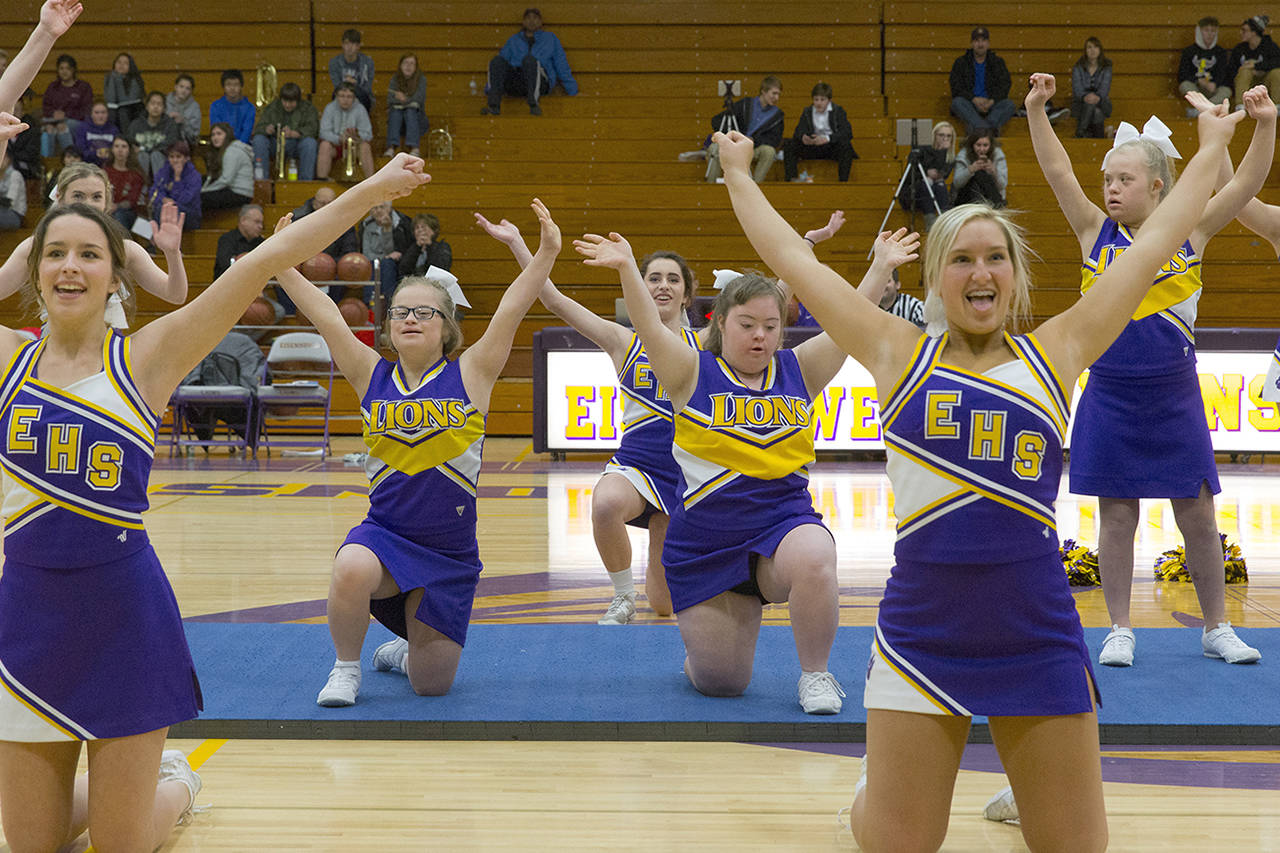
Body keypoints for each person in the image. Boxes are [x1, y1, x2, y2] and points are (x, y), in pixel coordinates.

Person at [711, 94, 1258, 851]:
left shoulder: (1058, 350)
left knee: (1075, 844)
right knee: (901, 840)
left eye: (995, 257)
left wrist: (1211, 146)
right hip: (922, 627)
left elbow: (1155, 241)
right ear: (936, 279)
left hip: (1036, 627)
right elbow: (790, 261)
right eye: (961, 258)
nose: (980, 271)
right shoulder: (894, 350)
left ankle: (1018, 777)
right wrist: (739, 172)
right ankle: (877, 789)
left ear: (1016, 276)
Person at [0, 150, 426, 853]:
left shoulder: (146, 356)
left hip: (122, 616)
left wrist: (371, 189)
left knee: (122, 844)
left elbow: (262, 261)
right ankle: (113, 796)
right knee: (31, 846)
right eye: (54, 254)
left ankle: (175, 785)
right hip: (26, 619)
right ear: (34, 269)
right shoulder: (8, 358)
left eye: (88, 254)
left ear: (115, 273)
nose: (70, 267)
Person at [574, 226, 917, 715]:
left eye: (771, 326)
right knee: (722, 683)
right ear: (721, 323)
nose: (760, 335)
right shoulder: (689, 370)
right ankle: (702, 655)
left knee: (817, 552)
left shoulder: (800, 368)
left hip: (781, 530)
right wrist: (629, 266)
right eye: (747, 324)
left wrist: (881, 266)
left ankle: (816, 675)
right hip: (707, 545)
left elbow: (850, 322)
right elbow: (649, 326)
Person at [1025, 74, 1273, 669]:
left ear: (1157, 186)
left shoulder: (1191, 231)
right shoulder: (1093, 233)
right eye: (1107, 179)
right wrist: (1037, 111)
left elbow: (1245, 185)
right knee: (1116, 517)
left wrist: (1264, 125)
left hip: (1174, 396)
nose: (1110, 189)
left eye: (1124, 180)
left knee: (1198, 515)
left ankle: (1218, 626)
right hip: (1108, 395)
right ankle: (1118, 627)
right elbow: (1059, 173)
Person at [302, 198, 558, 707]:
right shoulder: (369, 372)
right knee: (350, 565)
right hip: (387, 536)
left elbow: (512, 307)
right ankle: (345, 669)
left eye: (425, 312)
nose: (411, 320)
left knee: (431, 685)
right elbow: (327, 315)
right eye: (402, 312)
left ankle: (403, 651)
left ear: (447, 326)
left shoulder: (473, 372)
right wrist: (281, 262)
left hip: (450, 552)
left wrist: (546, 250)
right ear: (389, 323)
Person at [0, 162, 189, 310]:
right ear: (60, 198)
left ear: (107, 203)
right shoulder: (36, 246)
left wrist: (172, 253)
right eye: (78, 196)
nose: (88, 204)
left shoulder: (126, 249)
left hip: (107, 349)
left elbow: (175, 295)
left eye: (96, 197)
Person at [483, 8, 577, 116]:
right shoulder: (514, 40)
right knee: (497, 60)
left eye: (535, 18)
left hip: (540, 80)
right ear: (523, 22)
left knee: (529, 60)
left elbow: (561, 65)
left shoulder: (550, 39)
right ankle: (493, 106)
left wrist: (572, 91)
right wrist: (489, 88)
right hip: (517, 81)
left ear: (541, 22)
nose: (532, 21)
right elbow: (499, 65)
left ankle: (533, 104)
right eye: (528, 18)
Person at [705, 75, 784, 183]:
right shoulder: (746, 104)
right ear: (763, 91)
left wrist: (753, 140)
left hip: (754, 148)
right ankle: (711, 187)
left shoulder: (777, 116)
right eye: (774, 93)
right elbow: (716, 120)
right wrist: (732, 136)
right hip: (733, 144)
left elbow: (774, 140)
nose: (777, 98)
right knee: (714, 148)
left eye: (779, 94)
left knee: (769, 152)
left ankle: (755, 187)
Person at [782, 82, 857, 183]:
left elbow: (847, 133)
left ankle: (843, 182)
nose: (818, 103)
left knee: (845, 146)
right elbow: (798, 131)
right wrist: (804, 137)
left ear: (829, 100)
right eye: (816, 99)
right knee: (789, 145)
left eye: (822, 100)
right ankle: (792, 180)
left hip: (830, 147)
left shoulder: (838, 111)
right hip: (813, 146)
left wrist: (827, 138)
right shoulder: (807, 111)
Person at [949, 26, 1017, 135]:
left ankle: (978, 128)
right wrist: (973, 99)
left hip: (992, 105)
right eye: (977, 41)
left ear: (988, 44)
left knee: (1009, 105)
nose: (980, 44)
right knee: (957, 103)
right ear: (972, 43)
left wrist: (991, 101)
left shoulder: (997, 62)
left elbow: (1005, 85)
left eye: (983, 41)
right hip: (970, 105)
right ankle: (988, 130)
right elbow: (956, 87)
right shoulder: (961, 62)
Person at [251, 81, 319, 181]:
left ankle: (305, 181)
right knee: (259, 140)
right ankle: (261, 180)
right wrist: (267, 129)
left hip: (297, 144)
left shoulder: (308, 108)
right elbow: (259, 128)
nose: (287, 105)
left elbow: (314, 129)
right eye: (285, 101)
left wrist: (296, 133)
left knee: (310, 143)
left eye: (291, 102)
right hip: (275, 144)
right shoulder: (272, 107)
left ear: (298, 100)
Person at [898, 121, 955, 230]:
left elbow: (943, 174)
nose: (945, 138)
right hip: (914, 192)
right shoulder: (922, 149)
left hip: (935, 191)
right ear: (934, 135)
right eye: (941, 135)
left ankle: (945, 219)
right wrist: (926, 174)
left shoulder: (949, 156)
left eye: (948, 136)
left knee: (940, 184)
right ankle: (930, 223)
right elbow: (910, 175)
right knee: (927, 182)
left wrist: (942, 151)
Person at [317, 83, 374, 180]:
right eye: (342, 96)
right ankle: (322, 179)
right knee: (324, 145)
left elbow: (368, 134)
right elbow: (323, 132)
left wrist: (357, 136)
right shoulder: (330, 108)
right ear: (337, 96)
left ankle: (371, 181)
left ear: (354, 97)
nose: (345, 100)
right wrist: (339, 139)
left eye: (349, 97)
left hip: (355, 146)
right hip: (336, 145)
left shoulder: (360, 109)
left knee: (365, 147)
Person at [1179, 16, 1232, 116]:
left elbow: (1224, 74)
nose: (1210, 34)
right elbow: (1182, 75)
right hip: (1196, 87)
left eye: (1213, 31)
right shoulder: (1189, 51)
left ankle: (1203, 110)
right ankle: (1208, 109)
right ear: (1199, 31)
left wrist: (1214, 84)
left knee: (1226, 91)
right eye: (1206, 30)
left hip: (1213, 89)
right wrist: (1199, 81)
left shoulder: (1220, 52)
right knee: (1185, 85)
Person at [40, 52, 91, 155]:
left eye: (68, 68)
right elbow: (45, 106)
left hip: (76, 121)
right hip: (52, 120)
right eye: (61, 68)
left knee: (62, 127)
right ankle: (48, 162)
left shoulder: (83, 87)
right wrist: (53, 113)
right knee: (48, 129)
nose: (64, 72)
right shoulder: (53, 87)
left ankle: (69, 159)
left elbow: (86, 110)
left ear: (73, 70)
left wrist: (66, 115)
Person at [361, 200, 412, 303]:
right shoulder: (366, 226)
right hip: (374, 262)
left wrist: (387, 230)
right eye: (375, 208)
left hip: (397, 264)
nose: (378, 211)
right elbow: (366, 253)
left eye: (382, 207)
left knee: (387, 265)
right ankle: (370, 304)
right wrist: (385, 257)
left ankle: (389, 303)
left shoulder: (402, 223)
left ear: (389, 209)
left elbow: (401, 251)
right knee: (372, 266)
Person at [126, 90, 179, 181]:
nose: (155, 107)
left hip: (163, 161)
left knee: (156, 155)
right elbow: (129, 142)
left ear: (164, 108)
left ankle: (160, 188)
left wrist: (144, 149)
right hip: (141, 160)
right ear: (147, 106)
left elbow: (170, 145)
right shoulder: (136, 124)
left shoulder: (170, 125)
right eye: (153, 103)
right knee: (142, 156)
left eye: (159, 104)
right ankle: (141, 189)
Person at [201, 121, 254, 211]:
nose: (215, 137)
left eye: (219, 134)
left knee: (198, 199)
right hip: (232, 190)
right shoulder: (225, 150)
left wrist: (204, 191)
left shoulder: (232, 151)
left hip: (240, 193)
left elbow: (226, 180)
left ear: (227, 135)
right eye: (213, 135)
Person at [149, 139, 201, 230]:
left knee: (166, 211)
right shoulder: (164, 171)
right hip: (165, 209)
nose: (175, 160)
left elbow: (185, 199)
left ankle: (158, 242)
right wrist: (164, 199)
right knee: (160, 210)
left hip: (189, 214)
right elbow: (154, 191)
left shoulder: (194, 175)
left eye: (178, 157)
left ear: (186, 158)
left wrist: (177, 178)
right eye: (172, 157)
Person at [1229, 16, 1280, 109]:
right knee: (1244, 71)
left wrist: (1256, 66)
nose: (1241, 33)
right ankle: (1241, 107)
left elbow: (1277, 61)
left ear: (1254, 32)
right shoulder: (1239, 49)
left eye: (1244, 30)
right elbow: (1231, 70)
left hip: (1266, 84)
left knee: (1277, 73)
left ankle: (1277, 106)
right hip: (1246, 86)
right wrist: (1246, 70)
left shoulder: (1270, 46)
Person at [952, 128, 1007, 206]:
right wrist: (970, 170)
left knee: (983, 176)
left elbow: (1002, 185)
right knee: (978, 175)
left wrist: (994, 171)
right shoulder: (963, 155)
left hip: (992, 196)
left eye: (985, 145)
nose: (982, 149)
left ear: (990, 145)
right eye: (978, 145)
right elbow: (957, 184)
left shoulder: (997, 155)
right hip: (966, 197)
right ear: (972, 145)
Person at [385, 53, 426, 157]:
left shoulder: (421, 79)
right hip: (398, 115)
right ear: (400, 65)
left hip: (416, 117)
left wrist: (404, 99)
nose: (408, 66)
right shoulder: (395, 79)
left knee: (410, 111)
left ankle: (414, 148)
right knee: (395, 112)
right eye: (406, 63)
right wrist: (408, 101)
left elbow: (419, 99)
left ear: (416, 67)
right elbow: (390, 99)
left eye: (412, 63)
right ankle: (391, 147)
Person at [1071, 38, 1113, 138]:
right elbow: (1077, 88)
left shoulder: (1106, 66)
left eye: (1095, 47)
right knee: (1096, 113)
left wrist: (1097, 97)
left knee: (1095, 109)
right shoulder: (1078, 66)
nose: (1092, 50)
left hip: (1102, 103)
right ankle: (1098, 138)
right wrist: (1085, 97)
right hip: (1081, 104)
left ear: (1100, 49)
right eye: (1089, 47)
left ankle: (1081, 131)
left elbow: (1105, 87)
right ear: (1085, 50)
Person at [328, 28, 375, 112]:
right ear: (342, 45)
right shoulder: (334, 62)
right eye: (347, 43)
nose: (349, 47)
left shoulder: (368, 62)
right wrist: (346, 85)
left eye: (353, 43)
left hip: (362, 97)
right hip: (342, 95)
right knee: (338, 96)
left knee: (357, 94)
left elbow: (367, 88)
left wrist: (355, 85)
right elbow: (337, 86)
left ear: (358, 46)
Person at [213, 203, 265, 278]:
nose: (261, 226)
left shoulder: (262, 242)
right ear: (243, 220)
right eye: (257, 222)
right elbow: (225, 264)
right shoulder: (227, 239)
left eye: (261, 223)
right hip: (228, 284)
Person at [104, 134, 144, 229]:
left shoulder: (136, 175)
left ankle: (121, 243)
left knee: (118, 216)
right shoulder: (104, 171)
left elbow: (132, 201)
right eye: (117, 146)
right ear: (112, 149)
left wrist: (115, 206)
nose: (120, 150)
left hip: (126, 213)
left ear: (129, 150)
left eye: (124, 146)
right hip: (105, 209)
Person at [398, 212, 452, 280]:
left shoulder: (442, 247)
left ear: (433, 231)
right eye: (417, 228)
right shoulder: (410, 247)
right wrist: (417, 247)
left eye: (423, 227)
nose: (420, 230)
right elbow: (403, 270)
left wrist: (429, 246)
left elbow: (440, 269)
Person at [209, 69, 254, 144]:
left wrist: (236, 147)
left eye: (236, 84)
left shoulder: (249, 108)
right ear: (223, 87)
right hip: (221, 146)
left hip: (242, 147)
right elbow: (217, 131)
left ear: (241, 86)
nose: (232, 88)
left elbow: (246, 132)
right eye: (228, 84)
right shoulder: (215, 106)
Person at [103, 51, 144, 131]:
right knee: (110, 113)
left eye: (125, 63)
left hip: (134, 108)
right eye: (119, 62)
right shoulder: (109, 77)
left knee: (122, 112)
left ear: (130, 66)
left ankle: (127, 138)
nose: (121, 65)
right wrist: (112, 78)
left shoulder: (135, 79)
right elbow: (110, 100)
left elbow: (129, 100)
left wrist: (117, 79)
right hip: (116, 109)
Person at [71, 100, 117, 167]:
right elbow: (79, 151)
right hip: (87, 165)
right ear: (91, 114)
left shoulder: (114, 129)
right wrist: (95, 154)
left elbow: (116, 150)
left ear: (108, 114)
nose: (100, 116)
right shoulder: (82, 128)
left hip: (109, 165)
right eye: (96, 113)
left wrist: (109, 153)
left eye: (103, 112)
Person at [165, 73, 200, 144]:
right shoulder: (164, 102)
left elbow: (194, 136)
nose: (184, 91)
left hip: (184, 145)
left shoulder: (195, 107)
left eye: (188, 88)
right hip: (164, 142)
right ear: (175, 87)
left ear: (191, 91)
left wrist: (183, 122)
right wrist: (167, 119)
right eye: (181, 87)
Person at [0, 150, 24, 230]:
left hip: (14, 214)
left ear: (9, 160)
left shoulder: (15, 175)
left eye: (3, 157)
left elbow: (10, 201)